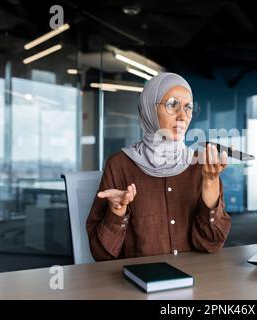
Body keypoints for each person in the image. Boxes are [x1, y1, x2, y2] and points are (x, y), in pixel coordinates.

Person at [86, 73, 231, 261]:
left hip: (195, 280)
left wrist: (210, 182)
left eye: (188, 107)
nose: (183, 116)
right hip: (139, 282)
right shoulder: (119, 165)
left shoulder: (201, 165)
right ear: (149, 109)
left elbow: (212, 242)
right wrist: (117, 212)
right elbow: (101, 254)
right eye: (172, 105)